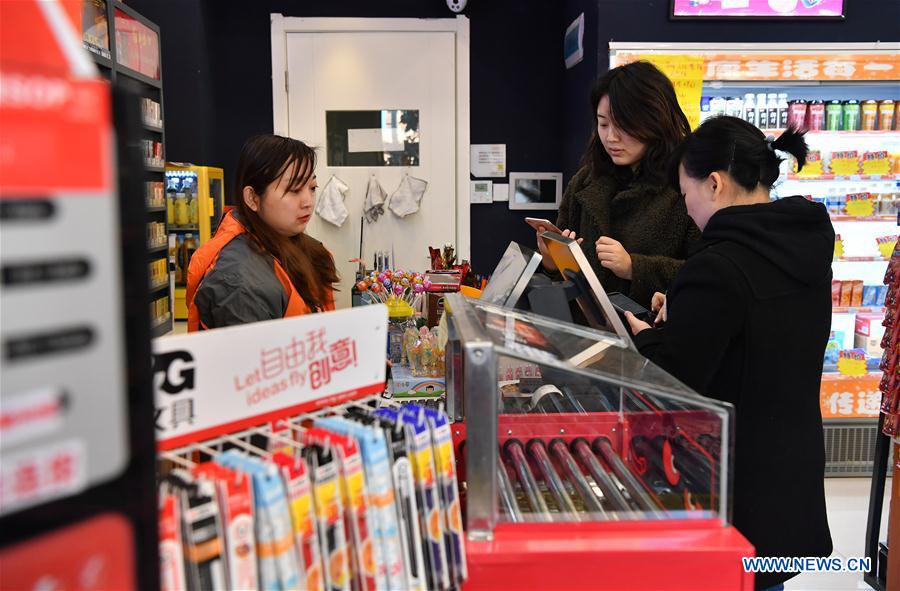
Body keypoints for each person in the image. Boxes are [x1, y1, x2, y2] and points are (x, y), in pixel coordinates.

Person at [624, 117, 834, 591]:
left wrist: (645, 335)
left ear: (714, 184)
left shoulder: (718, 264)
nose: (687, 209)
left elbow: (674, 376)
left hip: (731, 484)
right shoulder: (804, 244)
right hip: (788, 475)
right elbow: (756, 335)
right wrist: (683, 309)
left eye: (685, 194)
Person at [537, 61, 701, 308]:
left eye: (623, 125)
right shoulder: (584, 182)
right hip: (586, 334)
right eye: (603, 124)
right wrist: (552, 260)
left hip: (652, 337)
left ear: (655, 120)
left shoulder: (685, 187)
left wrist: (635, 267)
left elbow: (707, 272)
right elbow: (560, 282)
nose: (611, 137)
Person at [186, 134, 339, 331]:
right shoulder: (238, 282)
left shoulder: (300, 245)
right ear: (252, 198)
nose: (308, 201)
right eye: (294, 190)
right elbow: (252, 359)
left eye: (312, 188)